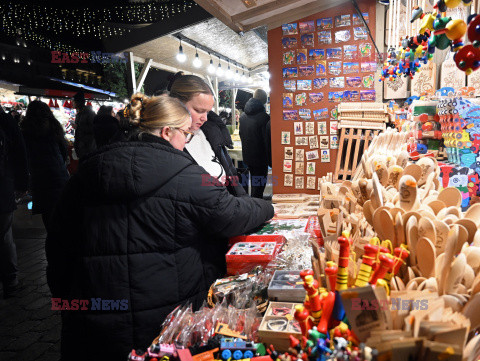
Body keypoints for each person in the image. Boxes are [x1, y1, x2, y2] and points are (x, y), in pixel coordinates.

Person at [46, 94, 274, 361]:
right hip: (165, 319)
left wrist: (68, 299)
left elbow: (58, 245)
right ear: (167, 132)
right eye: (185, 134)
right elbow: (230, 213)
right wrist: (268, 207)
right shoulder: (184, 174)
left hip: (93, 325)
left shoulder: (86, 172)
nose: (186, 141)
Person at [169, 75, 246, 197]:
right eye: (199, 110)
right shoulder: (168, 144)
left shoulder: (211, 132)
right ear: (176, 104)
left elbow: (231, 175)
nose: (204, 118)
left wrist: (244, 202)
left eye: (208, 112)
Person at [20, 101, 70, 230]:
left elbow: (23, 157)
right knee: (63, 216)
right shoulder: (54, 127)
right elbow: (64, 150)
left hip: (40, 179)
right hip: (59, 177)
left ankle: (53, 246)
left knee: (48, 218)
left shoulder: (26, 131)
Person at [0, 110, 29, 298]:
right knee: (4, 236)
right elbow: (20, 151)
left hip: (3, 187)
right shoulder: (5, 121)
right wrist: (22, 184)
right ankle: (11, 282)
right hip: (2, 188)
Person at [239, 89, 271, 199]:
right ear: (264, 101)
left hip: (248, 157)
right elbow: (267, 140)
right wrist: (270, 160)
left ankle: (253, 205)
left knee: (254, 183)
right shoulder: (264, 118)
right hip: (261, 159)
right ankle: (256, 209)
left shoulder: (243, 116)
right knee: (259, 187)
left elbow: (241, 135)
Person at [72, 91, 96, 159]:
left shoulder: (89, 113)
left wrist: (78, 127)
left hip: (87, 148)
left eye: (73, 101)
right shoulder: (79, 113)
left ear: (78, 102)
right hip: (81, 147)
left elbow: (93, 128)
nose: (72, 103)